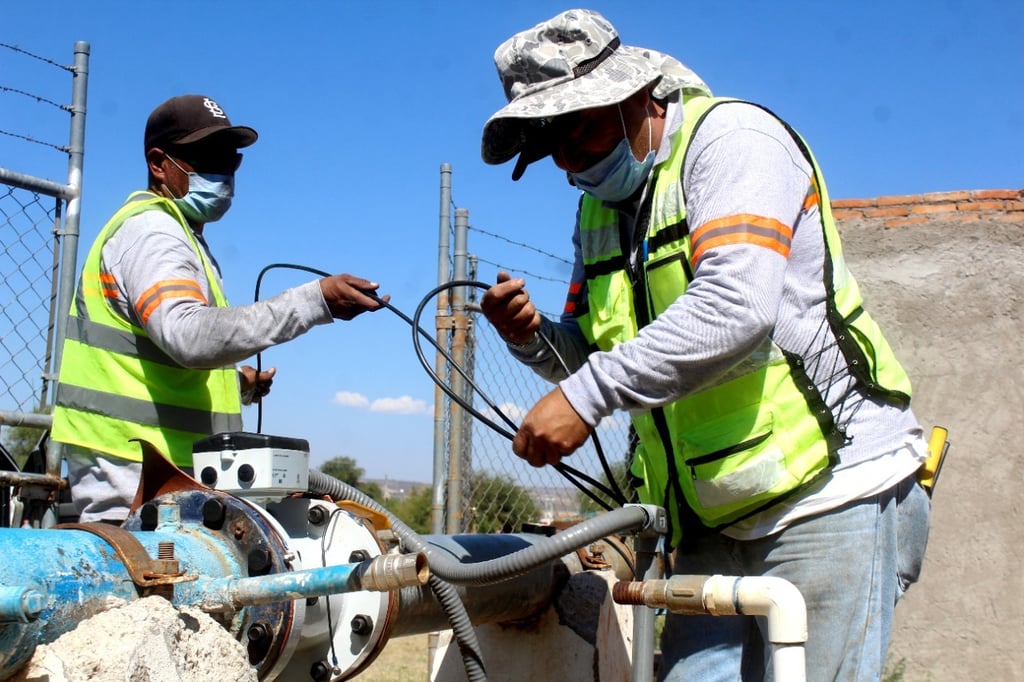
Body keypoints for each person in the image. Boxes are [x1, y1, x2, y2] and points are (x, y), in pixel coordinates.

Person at [478, 9, 930, 681]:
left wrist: (583, 396)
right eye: (552, 148)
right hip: (710, 518)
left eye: (581, 128)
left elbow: (736, 305)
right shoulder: (598, 212)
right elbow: (608, 356)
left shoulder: (734, 141)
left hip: (828, 492)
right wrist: (534, 339)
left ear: (636, 95)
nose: (573, 162)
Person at [50, 94, 389, 523]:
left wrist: (237, 385)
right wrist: (314, 301)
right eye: (208, 157)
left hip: (163, 478)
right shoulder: (153, 232)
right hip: (138, 480)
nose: (225, 171)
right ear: (159, 163)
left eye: (232, 159)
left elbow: (160, 353)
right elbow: (189, 335)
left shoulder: (181, 235)